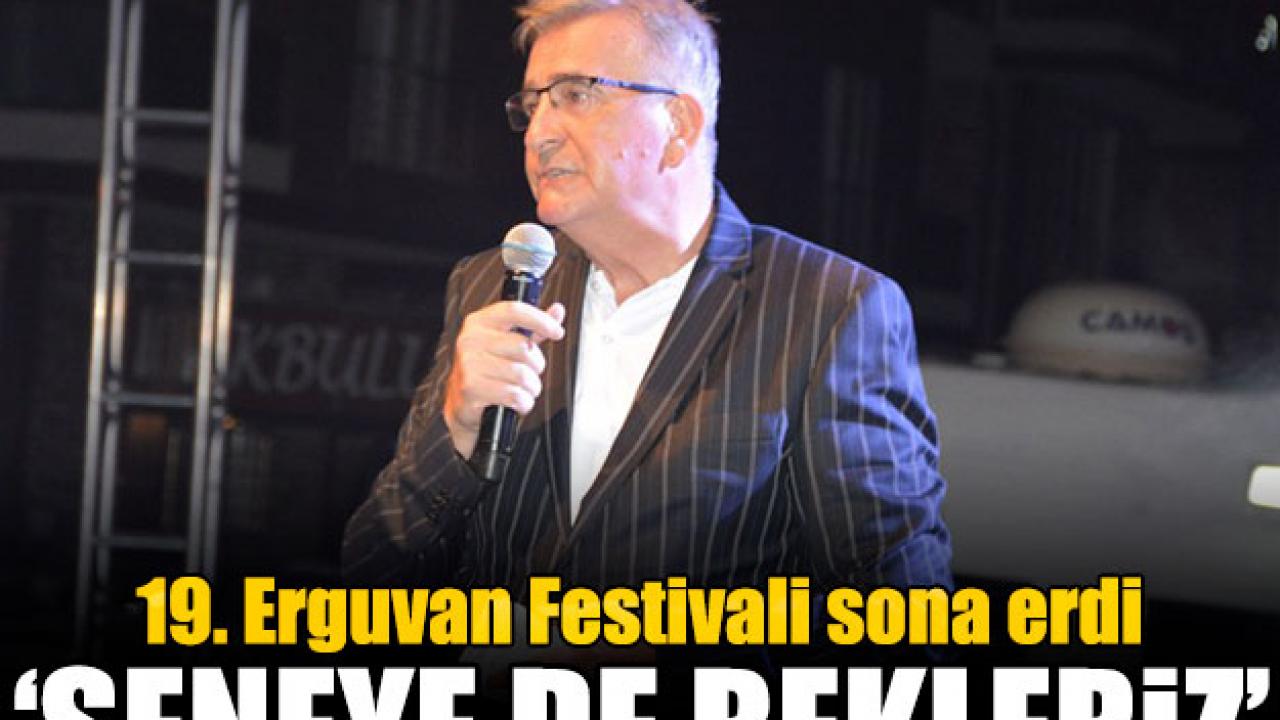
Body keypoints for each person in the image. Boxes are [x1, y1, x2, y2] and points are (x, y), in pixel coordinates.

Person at [343, 0, 950, 605]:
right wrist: (455, 436)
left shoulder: (829, 307)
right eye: (532, 105)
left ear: (678, 125)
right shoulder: (489, 286)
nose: (539, 133)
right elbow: (369, 573)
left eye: (576, 95)